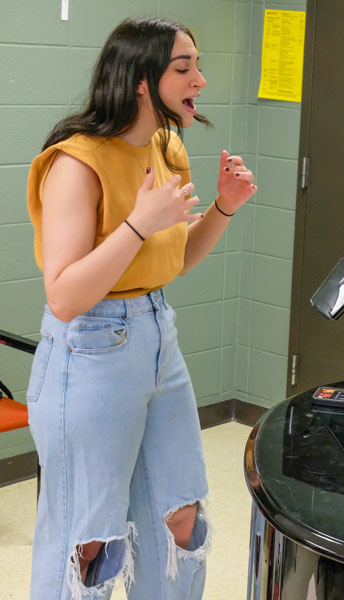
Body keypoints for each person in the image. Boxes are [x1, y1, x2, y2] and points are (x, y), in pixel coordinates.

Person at [24, 17, 257, 600]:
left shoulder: (166, 147)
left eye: (197, 66)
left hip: (156, 337)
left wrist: (224, 209)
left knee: (180, 518)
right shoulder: (75, 163)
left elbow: (168, 262)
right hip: (89, 349)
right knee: (90, 542)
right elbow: (66, 294)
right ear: (137, 80)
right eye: (184, 68)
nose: (199, 80)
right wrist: (137, 224)